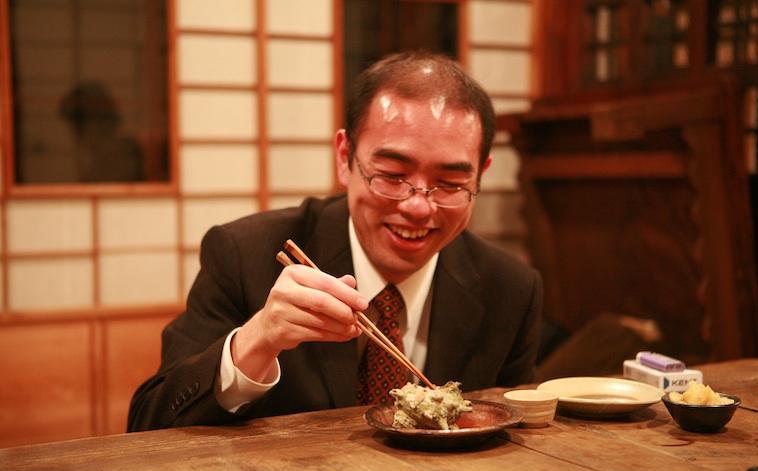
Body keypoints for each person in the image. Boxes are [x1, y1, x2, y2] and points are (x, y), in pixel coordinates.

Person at [127, 51, 543, 432]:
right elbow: (149, 422)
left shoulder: (510, 289)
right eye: (392, 175)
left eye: (450, 183)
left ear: (481, 175)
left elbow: (514, 439)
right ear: (345, 157)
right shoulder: (243, 253)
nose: (418, 207)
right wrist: (258, 339)